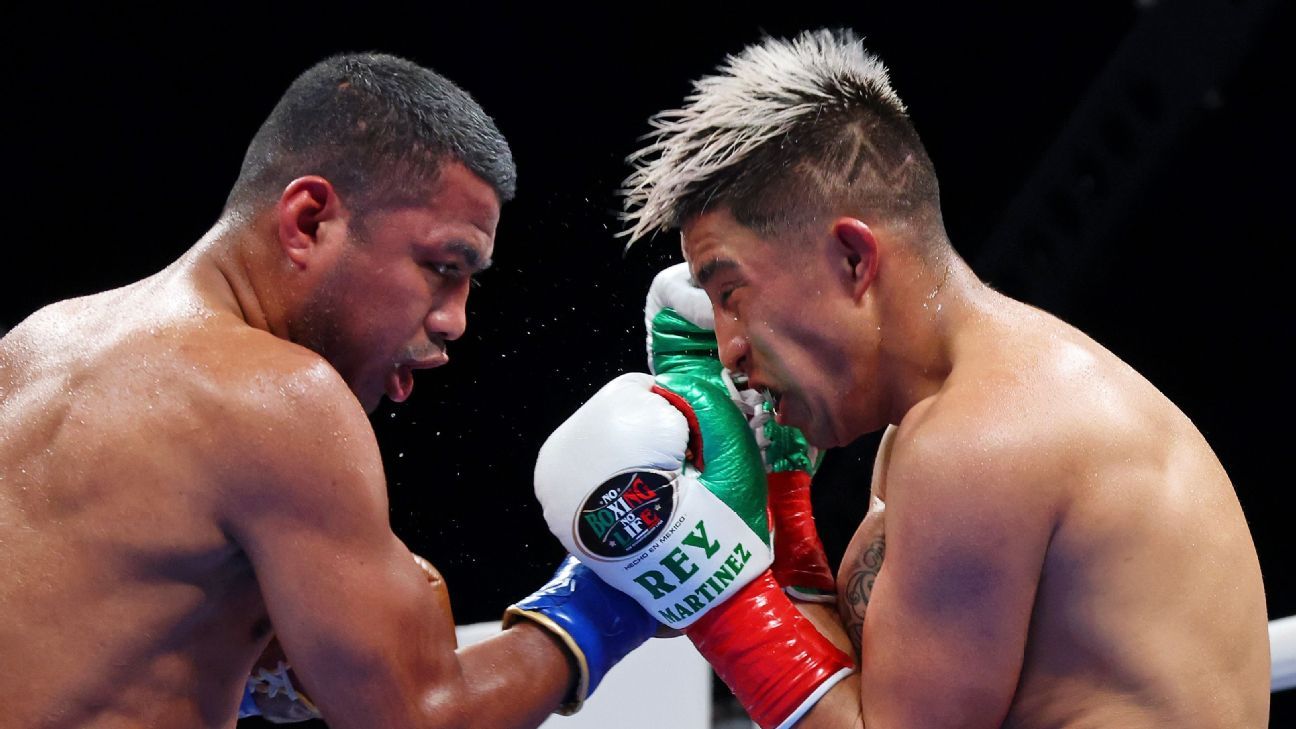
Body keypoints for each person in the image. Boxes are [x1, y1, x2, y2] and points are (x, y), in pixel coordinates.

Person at [542, 28, 1271, 727]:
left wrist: (703, 575)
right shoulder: (951, 419)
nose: (727, 348)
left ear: (854, 259)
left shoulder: (983, 441)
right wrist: (780, 500)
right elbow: (870, 695)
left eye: (731, 293)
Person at [0, 52, 656, 729]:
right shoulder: (277, 395)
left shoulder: (34, 344)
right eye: (442, 266)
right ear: (309, 220)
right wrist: (609, 600)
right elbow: (424, 721)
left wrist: (236, 671)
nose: (455, 318)